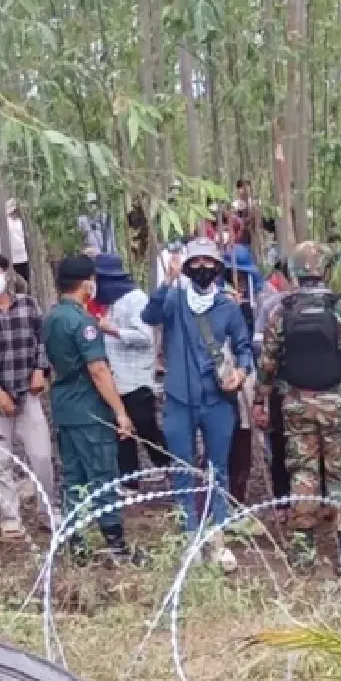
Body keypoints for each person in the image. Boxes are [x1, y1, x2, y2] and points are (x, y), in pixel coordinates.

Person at [143, 238, 254, 564]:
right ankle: (189, 535)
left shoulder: (228, 307)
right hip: (178, 398)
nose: (203, 269)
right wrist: (166, 281)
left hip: (217, 400)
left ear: (219, 268)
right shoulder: (175, 301)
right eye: (196, 263)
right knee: (182, 467)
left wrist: (242, 373)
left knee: (218, 469)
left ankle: (217, 537)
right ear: (187, 267)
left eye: (209, 263)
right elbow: (149, 315)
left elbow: (246, 348)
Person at [255, 242, 341, 569]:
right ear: (327, 270)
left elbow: (268, 361)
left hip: (296, 403)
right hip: (338, 402)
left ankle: (303, 548)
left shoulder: (281, 311)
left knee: (302, 470)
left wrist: (261, 398)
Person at [45, 255, 138, 560]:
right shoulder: (83, 322)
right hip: (89, 410)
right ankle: (116, 544)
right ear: (87, 283)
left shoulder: (53, 317)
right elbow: (98, 370)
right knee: (103, 473)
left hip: (64, 408)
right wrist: (121, 413)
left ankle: (76, 542)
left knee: (73, 475)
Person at [0, 251, 57, 538]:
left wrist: (40, 370)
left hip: (28, 392)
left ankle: (48, 510)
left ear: (7, 273)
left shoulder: (28, 305)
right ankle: (10, 516)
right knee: (0, 460)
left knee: (41, 456)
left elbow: (41, 341)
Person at [93, 253, 168, 477]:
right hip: (117, 376)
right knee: (121, 428)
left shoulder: (136, 299)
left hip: (137, 376)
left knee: (145, 426)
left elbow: (146, 336)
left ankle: (166, 466)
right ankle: (129, 479)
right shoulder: (110, 303)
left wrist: (113, 330)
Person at [0, 198, 32, 281]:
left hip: (23, 258)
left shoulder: (22, 221)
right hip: (7, 259)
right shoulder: (1, 220)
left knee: (24, 281)